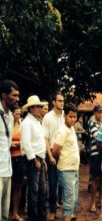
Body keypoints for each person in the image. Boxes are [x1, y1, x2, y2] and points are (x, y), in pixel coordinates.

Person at [21, 95, 48, 221]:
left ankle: (41, 217)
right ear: (31, 108)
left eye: (39, 106)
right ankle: (34, 218)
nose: (39, 108)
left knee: (42, 192)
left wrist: (42, 160)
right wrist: (34, 160)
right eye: (37, 106)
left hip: (39, 159)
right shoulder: (27, 123)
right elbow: (26, 144)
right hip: (34, 160)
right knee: (34, 192)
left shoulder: (36, 121)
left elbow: (39, 142)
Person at [52, 103, 79, 221]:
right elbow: (55, 151)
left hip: (74, 169)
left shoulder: (71, 128)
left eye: (74, 117)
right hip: (66, 170)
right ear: (65, 116)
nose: (73, 119)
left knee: (73, 200)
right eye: (70, 116)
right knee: (68, 201)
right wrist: (64, 159)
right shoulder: (62, 131)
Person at [42, 92, 65, 221]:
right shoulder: (47, 117)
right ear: (54, 102)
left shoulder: (65, 116)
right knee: (52, 183)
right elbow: (45, 138)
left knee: (65, 184)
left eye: (63, 101)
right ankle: (52, 211)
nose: (62, 103)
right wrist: (50, 156)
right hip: (52, 153)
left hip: (65, 153)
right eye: (60, 101)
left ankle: (67, 211)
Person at [0, 80, 19, 221]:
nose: (18, 99)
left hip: (7, 169)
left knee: (5, 213)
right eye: (14, 95)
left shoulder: (11, 117)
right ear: (4, 96)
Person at [10, 106, 25, 221]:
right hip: (8, 158)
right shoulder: (7, 124)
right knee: (7, 186)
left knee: (18, 185)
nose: (18, 116)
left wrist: (15, 143)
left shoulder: (22, 125)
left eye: (20, 114)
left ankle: (15, 213)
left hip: (19, 158)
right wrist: (12, 144)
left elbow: (25, 141)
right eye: (16, 114)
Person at [89, 105, 102, 212]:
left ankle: (100, 201)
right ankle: (93, 203)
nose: (100, 114)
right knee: (95, 179)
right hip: (95, 155)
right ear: (95, 113)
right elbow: (98, 137)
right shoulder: (92, 123)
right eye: (98, 112)